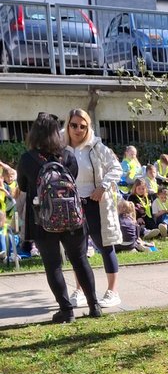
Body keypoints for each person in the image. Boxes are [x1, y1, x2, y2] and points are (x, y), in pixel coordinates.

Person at [16, 112, 101, 322]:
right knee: (80, 260)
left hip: (42, 219)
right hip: (72, 217)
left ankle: (66, 310)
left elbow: (23, 186)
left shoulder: (27, 159)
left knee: (53, 264)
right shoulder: (67, 156)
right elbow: (73, 178)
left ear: (34, 133)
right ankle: (94, 306)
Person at [64, 108, 123, 310]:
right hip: (72, 204)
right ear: (67, 125)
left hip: (95, 203)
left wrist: (103, 186)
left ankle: (113, 291)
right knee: (77, 250)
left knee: (105, 246)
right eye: (74, 125)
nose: (78, 130)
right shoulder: (62, 148)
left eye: (83, 126)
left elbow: (116, 168)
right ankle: (80, 290)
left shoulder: (97, 147)